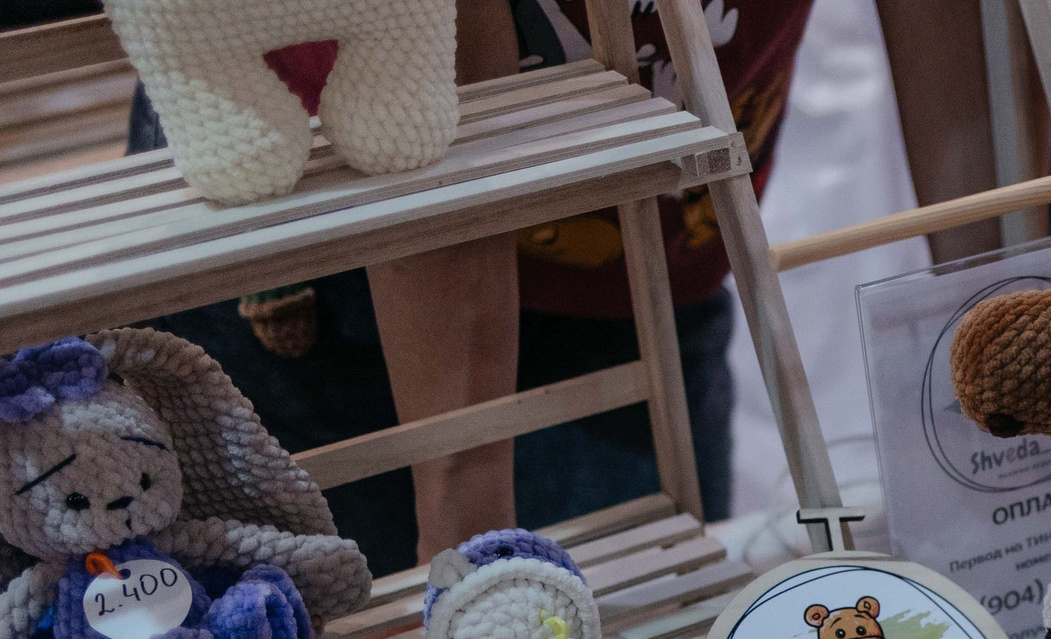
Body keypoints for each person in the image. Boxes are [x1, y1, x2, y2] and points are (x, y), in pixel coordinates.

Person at [130, 0, 813, 575]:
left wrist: (922, 340)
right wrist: (474, 564)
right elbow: (420, 122)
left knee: (659, 627)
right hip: (313, 189)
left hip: (638, 255)